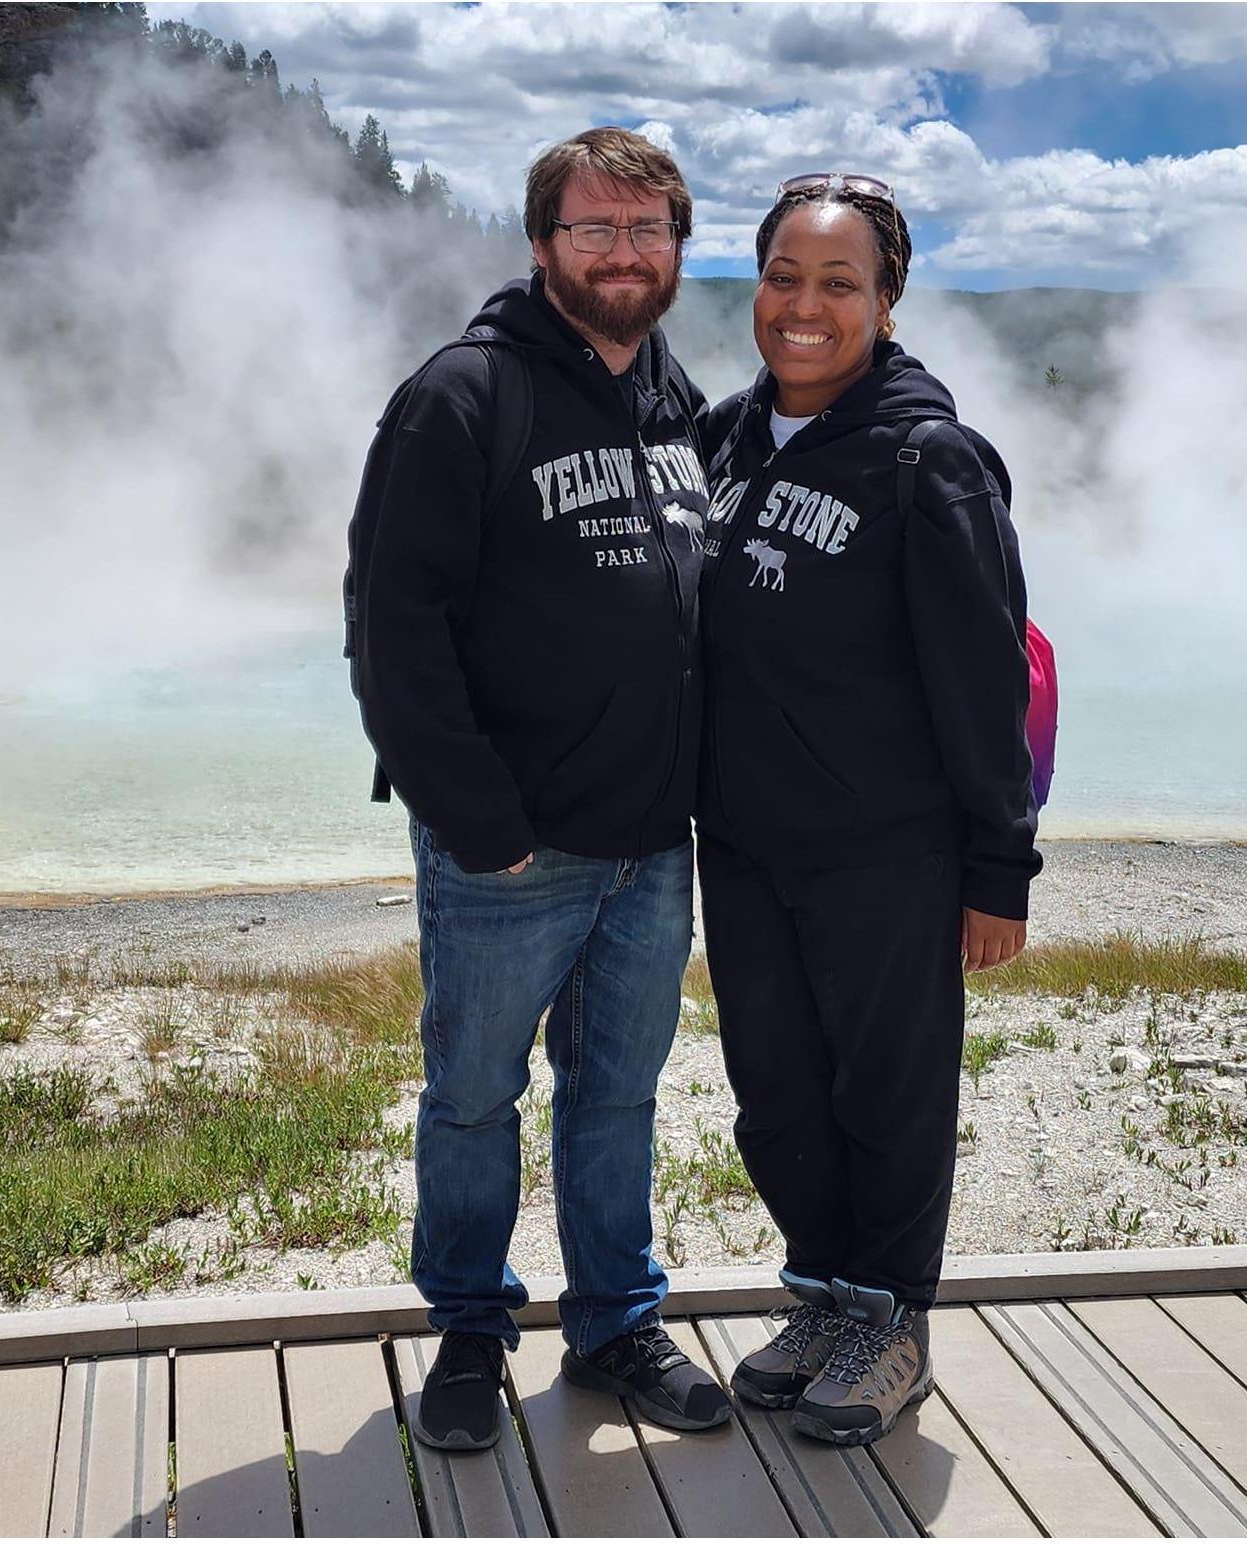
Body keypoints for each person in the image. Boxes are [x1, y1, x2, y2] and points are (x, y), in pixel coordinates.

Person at [347, 127, 729, 1449]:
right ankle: (467, 1327)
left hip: (651, 843)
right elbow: (392, 626)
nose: (622, 252)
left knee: (615, 1095)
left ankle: (615, 1321)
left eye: (646, 229)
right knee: (473, 1095)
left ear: (676, 248)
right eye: (594, 227)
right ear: (541, 242)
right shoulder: (463, 395)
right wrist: (479, 821)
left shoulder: (675, 404)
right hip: (510, 850)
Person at [696, 173, 1041, 1446]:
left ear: (887, 303)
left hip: (887, 851)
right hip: (743, 845)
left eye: (839, 283)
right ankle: (827, 1294)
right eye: (784, 275)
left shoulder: (927, 460)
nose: (805, 304)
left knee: (888, 1095)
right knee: (778, 1091)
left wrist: (999, 868)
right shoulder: (723, 439)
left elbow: (985, 678)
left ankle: (893, 1321)